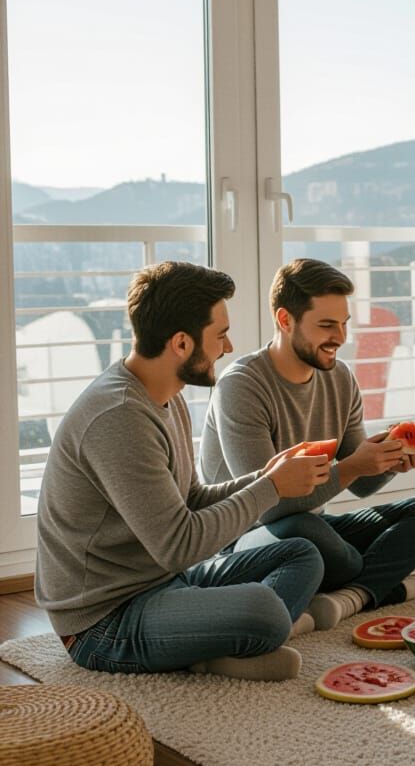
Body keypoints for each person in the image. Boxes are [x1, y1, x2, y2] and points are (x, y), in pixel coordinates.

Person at [35, 262, 329, 682]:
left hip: (166, 581)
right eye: (220, 335)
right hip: (104, 621)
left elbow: (191, 499)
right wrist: (270, 488)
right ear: (181, 343)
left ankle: (219, 643)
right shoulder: (119, 417)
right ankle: (235, 639)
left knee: (302, 553)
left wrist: (267, 476)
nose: (227, 348)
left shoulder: (166, 397)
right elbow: (179, 544)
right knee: (263, 610)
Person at [200, 258, 415, 631]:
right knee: (316, 538)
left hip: (314, 527)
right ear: (285, 320)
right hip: (247, 537)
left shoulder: (339, 378)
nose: (340, 337)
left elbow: (363, 482)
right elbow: (269, 506)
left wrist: (390, 461)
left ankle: (351, 597)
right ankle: (399, 584)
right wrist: (353, 466)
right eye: (326, 325)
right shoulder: (241, 386)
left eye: (343, 324)